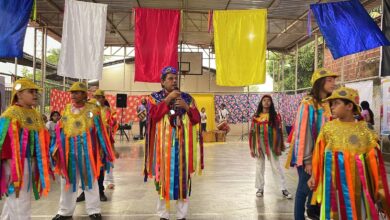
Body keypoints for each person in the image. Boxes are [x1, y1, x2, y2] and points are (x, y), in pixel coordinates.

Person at [308, 87, 390, 219]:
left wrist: (378, 191)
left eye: (336, 103)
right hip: (334, 189)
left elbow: (374, 164)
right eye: (331, 104)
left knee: (360, 214)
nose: (332, 107)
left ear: (349, 106)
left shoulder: (365, 130)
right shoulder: (327, 129)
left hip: (359, 190)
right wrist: (314, 176)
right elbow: (318, 155)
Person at [144, 66, 204, 220]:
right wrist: (168, 99)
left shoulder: (187, 98)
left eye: (175, 78)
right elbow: (152, 116)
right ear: (162, 81)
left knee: (183, 179)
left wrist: (186, 108)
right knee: (163, 179)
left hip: (182, 147)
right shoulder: (154, 98)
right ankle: (163, 215)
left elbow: (197, 119)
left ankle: (182, 215)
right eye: (170, 78)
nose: (174, 81)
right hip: (163, 149)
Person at [51, 82, 115, 220]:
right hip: (69, 155)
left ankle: (94, 210)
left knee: (90, 182)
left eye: (77, 92)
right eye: (72, 92)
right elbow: (60, 131)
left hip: (87, 154)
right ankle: (65, 211)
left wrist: (106, 150)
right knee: (67, 183)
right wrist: (56, 148)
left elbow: (101, 132)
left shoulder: (94, 110)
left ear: (85, 94)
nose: (73, 95)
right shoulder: (66, 109)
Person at [286, 68, 338, 220]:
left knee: (320, 188)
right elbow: (303, 133)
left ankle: (314, 212)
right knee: (304, 188)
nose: (333, 83)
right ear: (319, 83)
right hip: (308, 154)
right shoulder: (307, 104)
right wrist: (308, 159)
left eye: (334, 80)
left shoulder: (330, 104)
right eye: (329, 80)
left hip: (326, 155)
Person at [0, 78, 52, 219]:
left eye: (36, 92)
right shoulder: (10, 114)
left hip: (30, 162)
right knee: (19, 198)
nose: (35, 95)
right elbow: (4, 143)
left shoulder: (35, 115)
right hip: (15, 164)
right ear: (19, 94)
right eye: (31, 91)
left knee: (18, 198)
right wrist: (11, 168)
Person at [76, 89, 119, 202]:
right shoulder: (87, 110)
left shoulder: (109, 111)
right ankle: (84, 193)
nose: (97, 99)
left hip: (102, 144)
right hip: (88, 143)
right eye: (95, 96)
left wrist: (112, 148)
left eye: (100, 97)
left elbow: (110, 129)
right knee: (85, 168)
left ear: (104, 98)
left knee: (100, 168)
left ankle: (100, 191)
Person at [249, 95, 292, 199]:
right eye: (264, 100)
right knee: (259, 166)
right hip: (260, 144)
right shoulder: (256, 116)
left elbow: (279, 131)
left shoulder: (275, 116)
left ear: (271, 103)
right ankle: (260, 188)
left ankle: (283, 188)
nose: (266, 102)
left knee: (276, 166)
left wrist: (279, 144)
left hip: (272, 144)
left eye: (269, 100)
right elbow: (252, 132)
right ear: (261, 102)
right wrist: (253, 146)